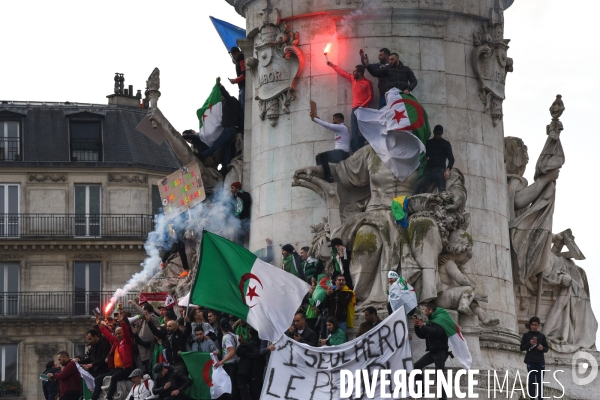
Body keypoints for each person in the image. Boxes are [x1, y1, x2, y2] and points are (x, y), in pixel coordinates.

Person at [326, 62, 373, 152]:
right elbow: (343, 73)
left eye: (355, 71)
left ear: (359, 73)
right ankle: (356, 149)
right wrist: (333, 66)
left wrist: (362, 106)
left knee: (365, 128)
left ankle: (366, 144)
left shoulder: (367, 83)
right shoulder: (353, 79)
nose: (353, 72)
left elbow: (371, 96)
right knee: (354, 129)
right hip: (354, 109)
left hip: (364, 109)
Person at [200, 77, 243, 176]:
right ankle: (224, 169)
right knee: (227, 150)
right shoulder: (224, 105)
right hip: (229, 129)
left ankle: (204, 155)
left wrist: (220, 86)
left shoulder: (231, 100)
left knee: (217, 143)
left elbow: (226, 95)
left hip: (231, 129)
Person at [92, 317, 135, 400]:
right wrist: (100, 325)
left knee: (114, 377)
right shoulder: (116, 342)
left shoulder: (127, 342)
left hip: (126, 368)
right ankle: (94, 398)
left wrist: (122, 321)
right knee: (98, 378)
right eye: (116, 334)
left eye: (119, 333)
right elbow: (107, 335)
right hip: (116, 369)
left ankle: (109, 397)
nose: (117, 335)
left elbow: (126, 333)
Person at [413, 303, 449, 400]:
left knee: (439, 375)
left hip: (441, 352)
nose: (424, 313)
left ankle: (443, 397)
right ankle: (421, 391)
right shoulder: (430, 322)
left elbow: (437, 332)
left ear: (430, 310)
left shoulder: (440, 320)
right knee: (416, 367)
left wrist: (423, 326)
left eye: (425, 310)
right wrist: (417, 326)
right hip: (433, 352)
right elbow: (423, 335)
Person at [310, 111, 350, 183]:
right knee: (318, 157)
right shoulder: (338, 129)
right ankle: (321, 174)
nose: (332, 121)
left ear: (338, 120)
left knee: (322, 156)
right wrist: (318, 120)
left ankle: (329, 177)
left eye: (334, 119)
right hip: (338, 153)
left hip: (342, 153)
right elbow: (328, 127)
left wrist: (315, 119)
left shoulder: (342, 127)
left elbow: (328, 125)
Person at [413, 125, 455, 194]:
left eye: (439, 134)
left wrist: (447, 171)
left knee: (442, 192)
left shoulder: (446, 144)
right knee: (417, 185)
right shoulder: (428, 143)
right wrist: (425, 158)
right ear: (433, 132)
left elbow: (451, 159)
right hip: (429, 171)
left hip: (440, 171)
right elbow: (422, 154)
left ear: (442, 133)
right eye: (436, 134)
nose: (438, 135)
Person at [520, 316, 549, 400]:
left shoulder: (542, 336)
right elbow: (522, 348)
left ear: (539, 325)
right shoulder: (526, 335)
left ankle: (541, 398)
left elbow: (546, 349)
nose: (534, 326)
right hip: (530, 361)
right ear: (530, 325)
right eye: (532, 325)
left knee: (540, 381)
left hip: (540, 361)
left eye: (536, 325)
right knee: (531, 380)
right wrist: (529, 343)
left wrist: (542, 348)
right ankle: (532, 398)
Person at [128, 300, 160, 372]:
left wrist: (134, 305)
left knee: (149, 368)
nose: (140, 312)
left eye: (142, 309)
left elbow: (144, 314)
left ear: (146, 311)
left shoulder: (153, 317)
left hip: (148, 347)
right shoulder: (144, 319)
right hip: (142, 347)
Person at [236, 327, 265, 400]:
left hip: (255, 370)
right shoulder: (258, 341)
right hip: (256, 370)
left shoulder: (252, 343)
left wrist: (246, 353)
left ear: (250, 333)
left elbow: (257, 354)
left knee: (254, 392)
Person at [215, 319, 240, 400]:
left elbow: (232, 351)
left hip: (229, 364)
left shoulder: (226, 337)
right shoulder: (233, 335)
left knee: (230, 386)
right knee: (233, 385)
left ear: (220, 327)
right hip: (234, 362)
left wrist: (221, 361)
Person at [228, 46, 246, 113]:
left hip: (243, 87)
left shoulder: (241, 60)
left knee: (242, 107)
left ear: (238, 53)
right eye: (232, 55)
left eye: (234, 54)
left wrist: (234, 80)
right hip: (241, 87)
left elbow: (244, 75)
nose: (233, 56)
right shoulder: (239, 61)